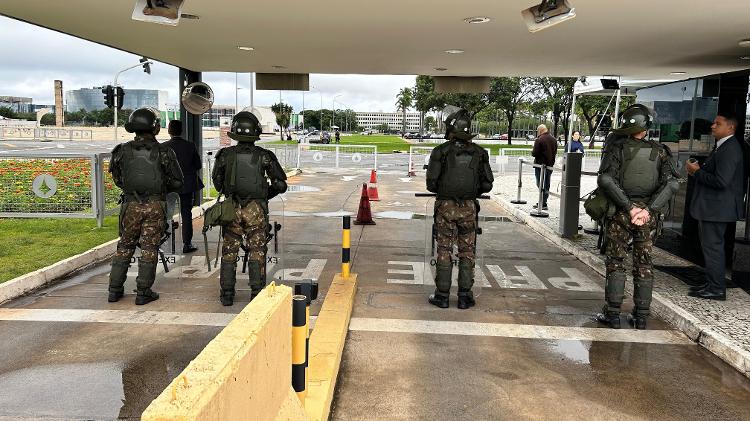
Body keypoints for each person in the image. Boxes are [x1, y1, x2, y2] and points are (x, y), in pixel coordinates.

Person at [596, 104, 679, 329]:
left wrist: (629, 207)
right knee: (644, 263)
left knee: (616, 261)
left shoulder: (617, 149)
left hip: (621, 213)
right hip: (648, 217)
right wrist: (648, 210)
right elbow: (671, 184)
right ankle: (641, 316)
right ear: (647, 126)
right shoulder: (661, 151)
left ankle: (613, 314)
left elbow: (605, 180)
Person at [108, 107, 184, 305]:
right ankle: (143, 292)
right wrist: (160, 187)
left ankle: (114, 290)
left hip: (130, 205)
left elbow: (118, 179)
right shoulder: (164, 152)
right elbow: (178, 181)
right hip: (155, 206)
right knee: (149, 248)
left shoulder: (121, 150)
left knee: (124, 246)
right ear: (154, 128)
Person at [212, 111, 288, 306]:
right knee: (257, 250)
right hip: (256, 209)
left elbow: (217, 183)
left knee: (229, 251)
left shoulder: (224, 155)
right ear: (256, 132)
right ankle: (256, 293)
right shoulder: (265, 156)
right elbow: (280, 184)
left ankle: (227, 294)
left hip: (231, 209)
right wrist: (264, 195)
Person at [426, 107, 494, 310]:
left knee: (444, 249)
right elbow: (487, 184)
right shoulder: (480, 153)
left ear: (450, 129)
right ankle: (465, 296)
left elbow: (431, 184)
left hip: (445, 207)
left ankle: (442, 296)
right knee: (467, 251)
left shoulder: (440, 151)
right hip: (469, 208)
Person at [685, 112, 746, 301]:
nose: (712, 126)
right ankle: (712, 284)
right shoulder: (723, 146)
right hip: (713, 209)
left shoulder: (730, 148)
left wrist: (696, 173)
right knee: (711, 248)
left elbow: (721, 181)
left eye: (717, 123)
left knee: (713, 249)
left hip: (717, 210)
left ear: (730, 128)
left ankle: (717, 288)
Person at [163, 120, 203, 253]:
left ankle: (166, 244)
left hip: (170, 186)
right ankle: (187, 244)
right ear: (182, 131)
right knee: (186, 214)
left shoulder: (163, 147)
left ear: (169, 131)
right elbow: (198, 165)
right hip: (187, 185)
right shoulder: (190, 146)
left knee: (167, 214)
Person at [531, 124, 557, 210]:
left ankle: (542, 203)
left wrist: (533, 149)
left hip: (540, 166)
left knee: (540, 183)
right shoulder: (554, 139)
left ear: (540, 130)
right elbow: (554, 152)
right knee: (547, 184)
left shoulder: (539, 140)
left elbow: (534, 153)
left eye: (537, 131)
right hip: (550, 166)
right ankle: (544, 202)